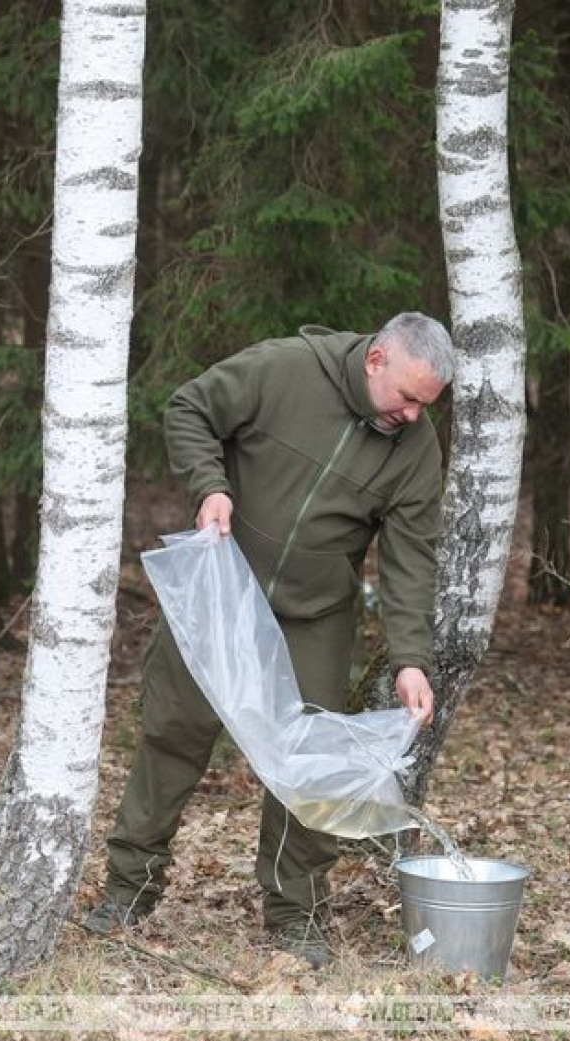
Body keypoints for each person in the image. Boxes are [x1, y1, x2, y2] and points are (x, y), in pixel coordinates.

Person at [82, 312, 455, 967]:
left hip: (315, 612)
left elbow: (410, 560)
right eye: (409, 397)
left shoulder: (415, 449)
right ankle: (127, 889)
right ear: (376, 360)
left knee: (308, 764)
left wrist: (410, 660)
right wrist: (211, 486)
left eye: (428, 404)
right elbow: (190, 407)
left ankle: (295, 915)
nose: (416, 415)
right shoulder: (284, 368)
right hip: (224, 586)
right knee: (174, 733)